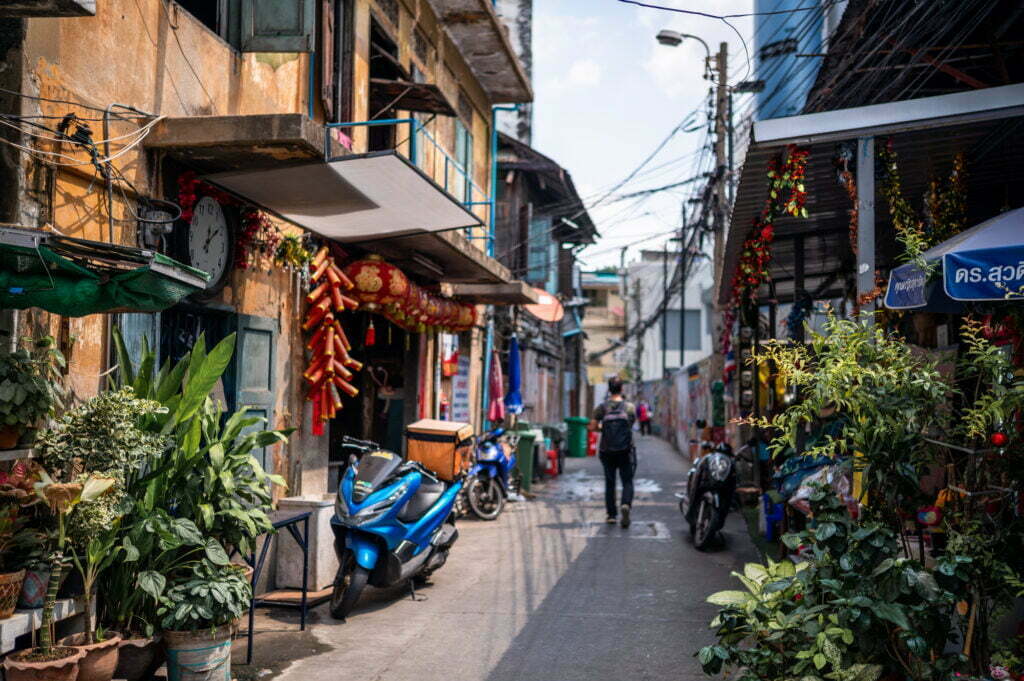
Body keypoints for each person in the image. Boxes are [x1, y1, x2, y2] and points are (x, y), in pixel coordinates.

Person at [589, 376, 636, 528]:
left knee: (610, 482)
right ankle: (626, 504)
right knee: (627, 480)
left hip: (607, 450)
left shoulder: (602, 407)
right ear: (622, 389)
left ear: (609, 389)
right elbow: (630, 424)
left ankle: (611, 515)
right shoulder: (629, 407)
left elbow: (592, 427)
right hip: (625, 449)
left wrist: (603, 429)